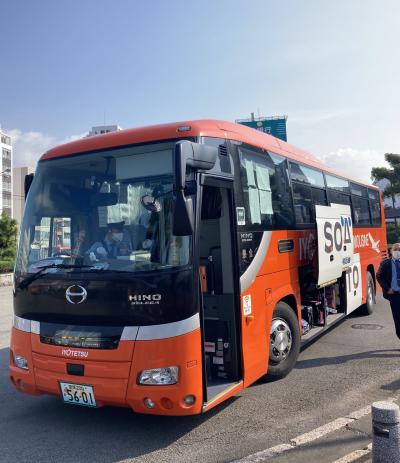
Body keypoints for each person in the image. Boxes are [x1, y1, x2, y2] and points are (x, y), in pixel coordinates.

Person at [377, 243, 400, 339]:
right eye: (395, 250)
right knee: (398, 319)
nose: (397, 252)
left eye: (399, 250)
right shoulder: (386, 263)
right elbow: (379, 276)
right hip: (395, 296)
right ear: (391, 251)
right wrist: (387, 288)